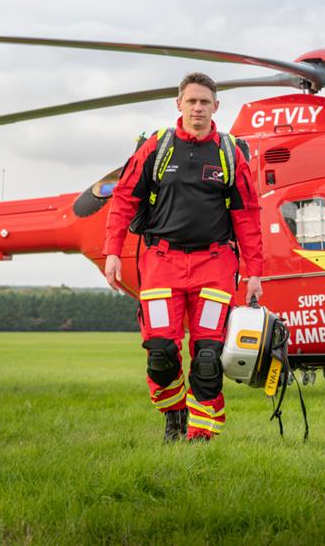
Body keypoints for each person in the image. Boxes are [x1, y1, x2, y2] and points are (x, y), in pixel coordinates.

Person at [103, 72, 264, 443]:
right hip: (161, 264)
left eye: (204, 102)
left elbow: (247, 215)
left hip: (214, 265)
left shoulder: (228, 153)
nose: (197, 108)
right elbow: (124, 198)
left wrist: (254, 272)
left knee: (208, 357)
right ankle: (173, 412)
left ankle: (201, 437)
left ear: (216, 107)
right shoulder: (158, 147)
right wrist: (112, 250)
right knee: (161, 353)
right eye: (191, 101)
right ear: (179, 104)